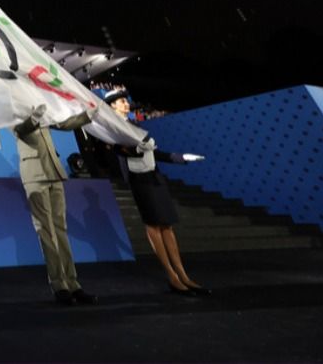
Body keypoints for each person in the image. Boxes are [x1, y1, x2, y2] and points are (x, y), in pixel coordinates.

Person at [101, 88, 209, 297]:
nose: (126, 104)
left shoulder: (134, 124)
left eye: (125, 101)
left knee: (167, 225)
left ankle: (183, 275)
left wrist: (182, 157)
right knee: (153, 226)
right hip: (139, 179)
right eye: (121, 101)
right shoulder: (112, 126)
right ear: (113, 105)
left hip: (154, 175)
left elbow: (154, 151)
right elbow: (117, 149)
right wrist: (137, 149)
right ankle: (172, 276)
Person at [12, 104, 99, 305]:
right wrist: (34, 117)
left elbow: (63, 123)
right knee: (46, 231)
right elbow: (20, 130)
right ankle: (59, 285)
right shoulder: (12, 109)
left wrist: (86, 115)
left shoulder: (40, 106)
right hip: (34, 174)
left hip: (54, 172)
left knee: (61, 230)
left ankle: (73, 283)